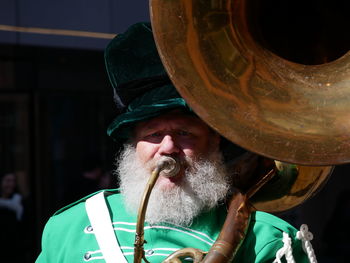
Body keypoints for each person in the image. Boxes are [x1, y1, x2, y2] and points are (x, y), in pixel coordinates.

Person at [36, 23, 314, 263]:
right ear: (133, 147)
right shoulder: (68, 227)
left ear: (215, 143)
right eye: (153, 134)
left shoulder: (268, 239)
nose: (167, 147)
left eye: (185, 133)